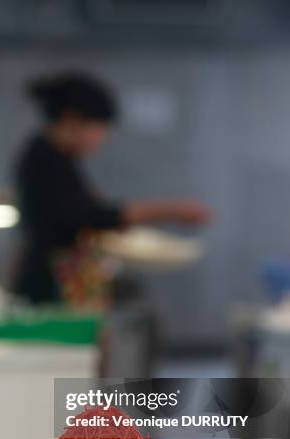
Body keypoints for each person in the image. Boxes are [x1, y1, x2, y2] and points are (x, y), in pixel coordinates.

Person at [12, 71, 210, 304]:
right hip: (49, 286)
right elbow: (89, 216)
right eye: (99, 128)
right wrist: (171, 210)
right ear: (72, 119)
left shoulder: (59, 158)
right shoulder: (45, 158)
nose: (101, 138)